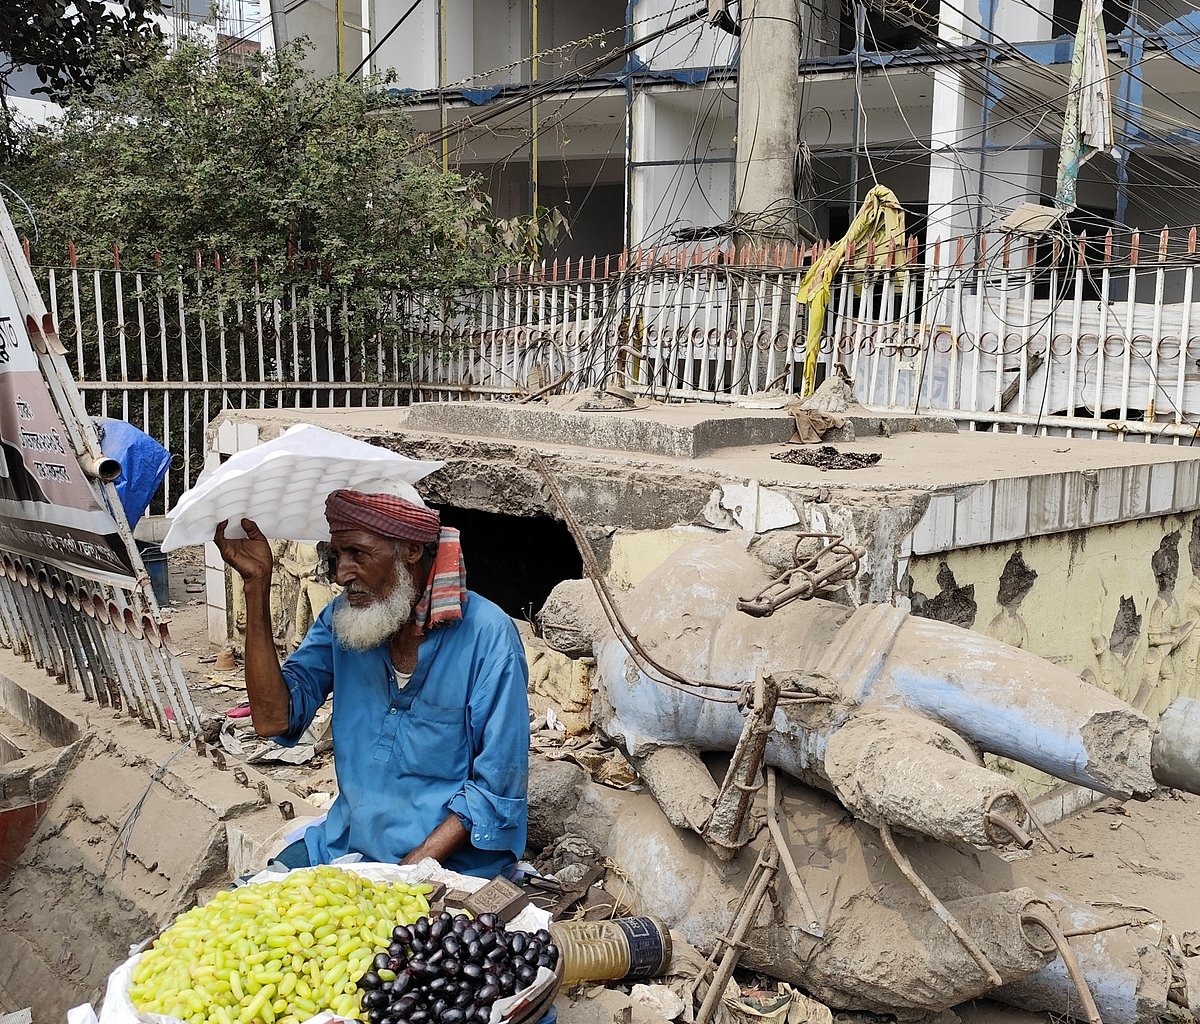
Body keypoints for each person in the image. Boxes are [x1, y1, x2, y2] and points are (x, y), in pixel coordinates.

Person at [214, 480, 530, 879]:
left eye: (358, 553)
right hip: (345, 845)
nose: (343, 574)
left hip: (447, 864)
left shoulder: (489, 637)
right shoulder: (341, 622)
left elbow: (496, 786)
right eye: (337, 554)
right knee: (242, 915)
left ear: (411, 551)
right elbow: (273, 720)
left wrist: (403, 875)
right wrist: (256, 585)